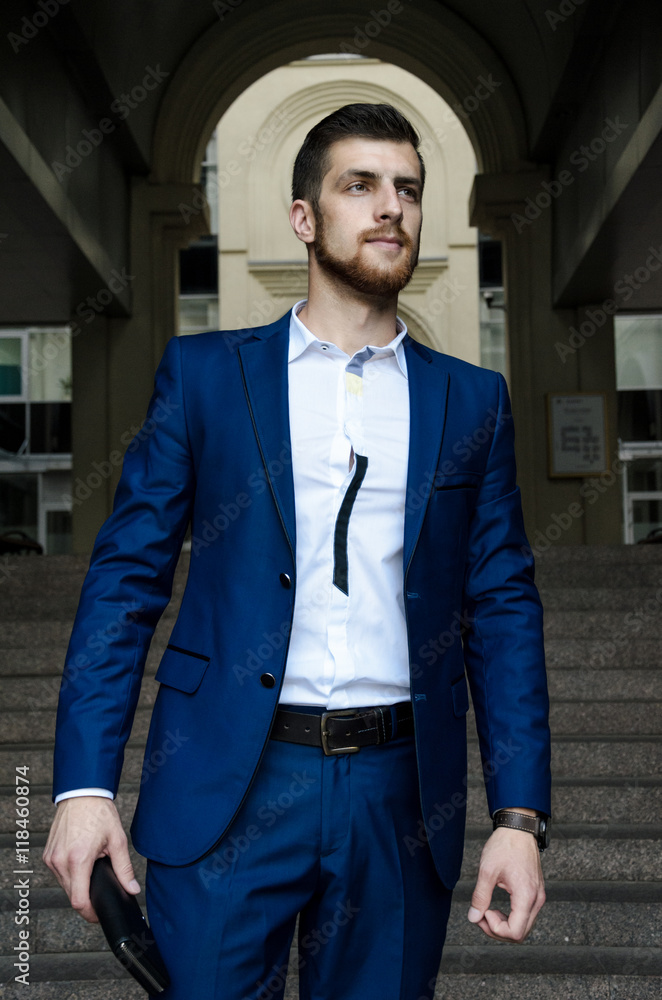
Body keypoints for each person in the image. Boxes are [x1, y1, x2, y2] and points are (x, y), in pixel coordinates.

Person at [44, 103, 551, 1000]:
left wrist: (520, 817)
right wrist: (83, 788)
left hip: (399, 798)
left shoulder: (473, 402)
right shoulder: (205, 379)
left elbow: (503, 607)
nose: (389, 207)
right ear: (304, 219)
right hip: (225, 787)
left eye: (407, 189)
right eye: (359, 186)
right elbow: (125, 582)